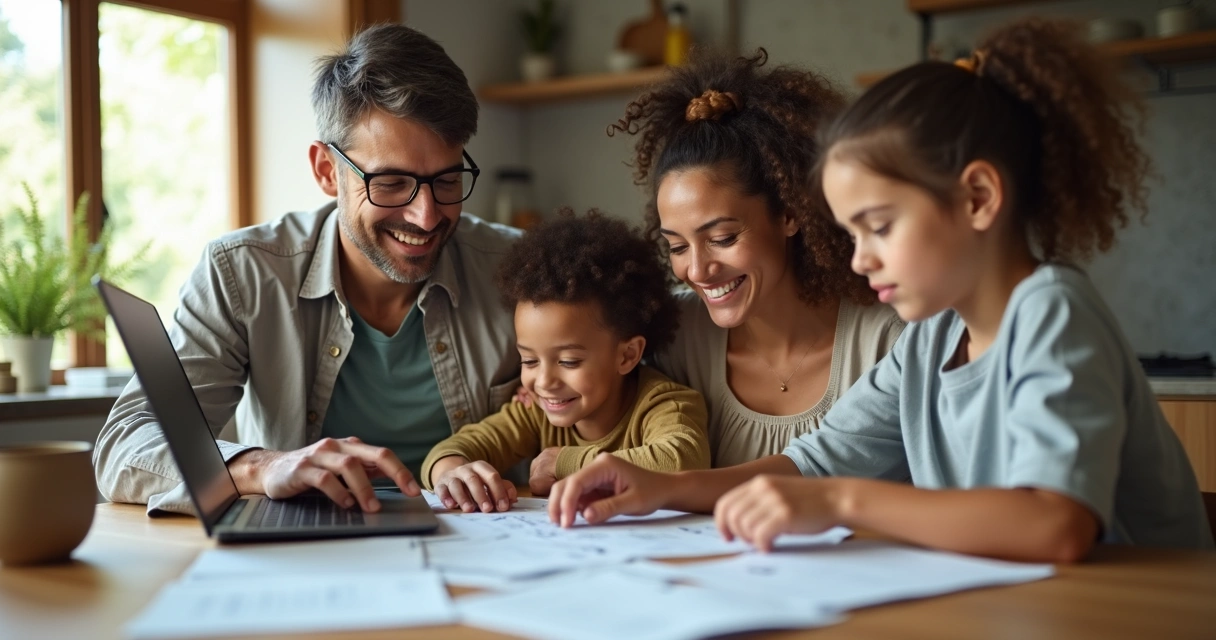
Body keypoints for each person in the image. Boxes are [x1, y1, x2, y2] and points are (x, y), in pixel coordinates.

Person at [548, 18, 1215, 559]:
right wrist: (659, 486)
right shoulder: (930, 340)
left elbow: (1053, 524)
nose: (858, 258)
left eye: (879, 227)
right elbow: (811, 463)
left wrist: (841, 502)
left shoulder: (1050, 312)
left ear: (978, 198)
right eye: (849, 230)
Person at [94, 24, 523, 516]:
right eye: (390, 182)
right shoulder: (242, 273)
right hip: (306, 554)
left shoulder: (521, 272)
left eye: (446, 180)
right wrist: (261, 467)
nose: (426, 216)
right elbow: (124, 445)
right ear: (326, 170)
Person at [608, 49, 903, 467]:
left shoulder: (888, 338)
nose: (696, 270)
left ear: (790, 214)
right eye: (676, 246)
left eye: (723, 238)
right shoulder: (675, 338)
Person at [423, 212, 710, 513]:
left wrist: (564, 462)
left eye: (569, 361)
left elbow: (683, 459)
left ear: (627, 355)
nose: (544, 381)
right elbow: (455, 448)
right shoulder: (535, 411)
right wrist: (451, 470)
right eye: (529, 360)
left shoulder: (664, 404)